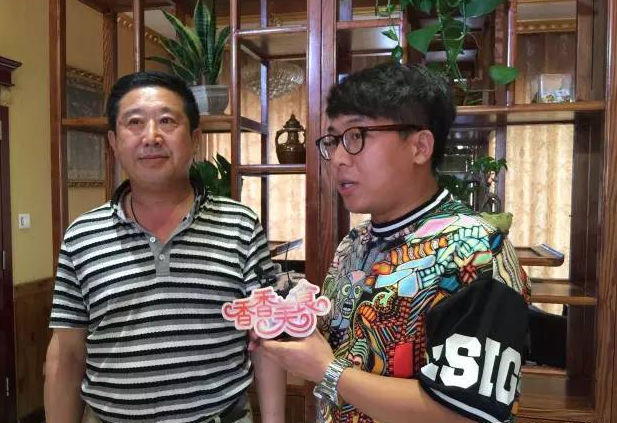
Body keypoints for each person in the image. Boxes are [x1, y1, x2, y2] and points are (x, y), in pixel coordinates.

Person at [257, 62, 530, 423]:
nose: (338, 158)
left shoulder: (478, 252)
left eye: (357, 136)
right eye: (333, 140)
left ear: (420, 147)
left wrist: (327, 370)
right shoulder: (353, 244)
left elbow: (466, 412)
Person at [44, 71, 286, 423]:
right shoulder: (82, 235)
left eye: (167, 121)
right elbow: (66, 354)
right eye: (134, 123)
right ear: (113, 142)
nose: (151, 136)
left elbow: (266, 340)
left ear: (195, 138)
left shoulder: (241, 226)